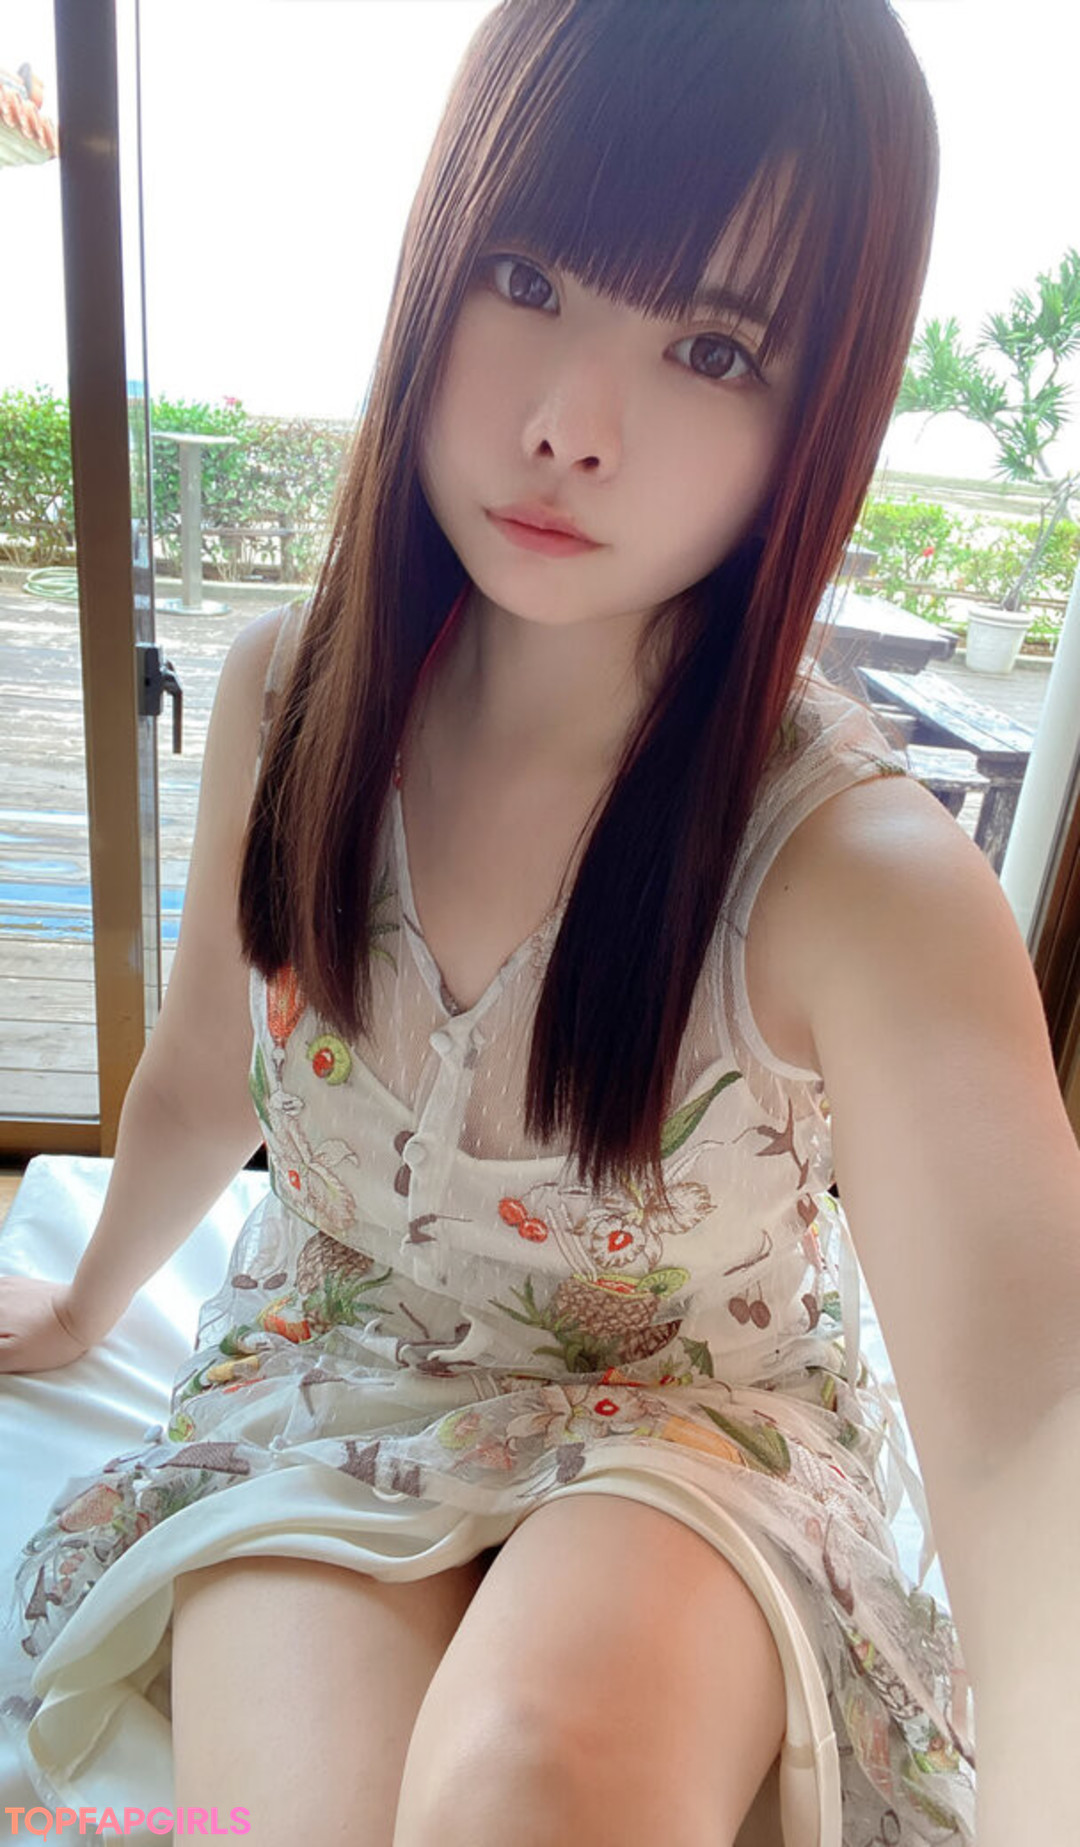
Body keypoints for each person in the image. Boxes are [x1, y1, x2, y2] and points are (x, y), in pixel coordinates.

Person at [1, 1, 1079, 1842]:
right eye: (527, 275)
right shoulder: (290, 698)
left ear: (818, 415)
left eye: (714, 347)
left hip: (693, 1428)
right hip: (335, 1372)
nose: (571, 425)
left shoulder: (855, 872)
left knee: (532, 1781)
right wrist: (91, 1302)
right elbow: (199, 1074)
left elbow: (1032, 1422)